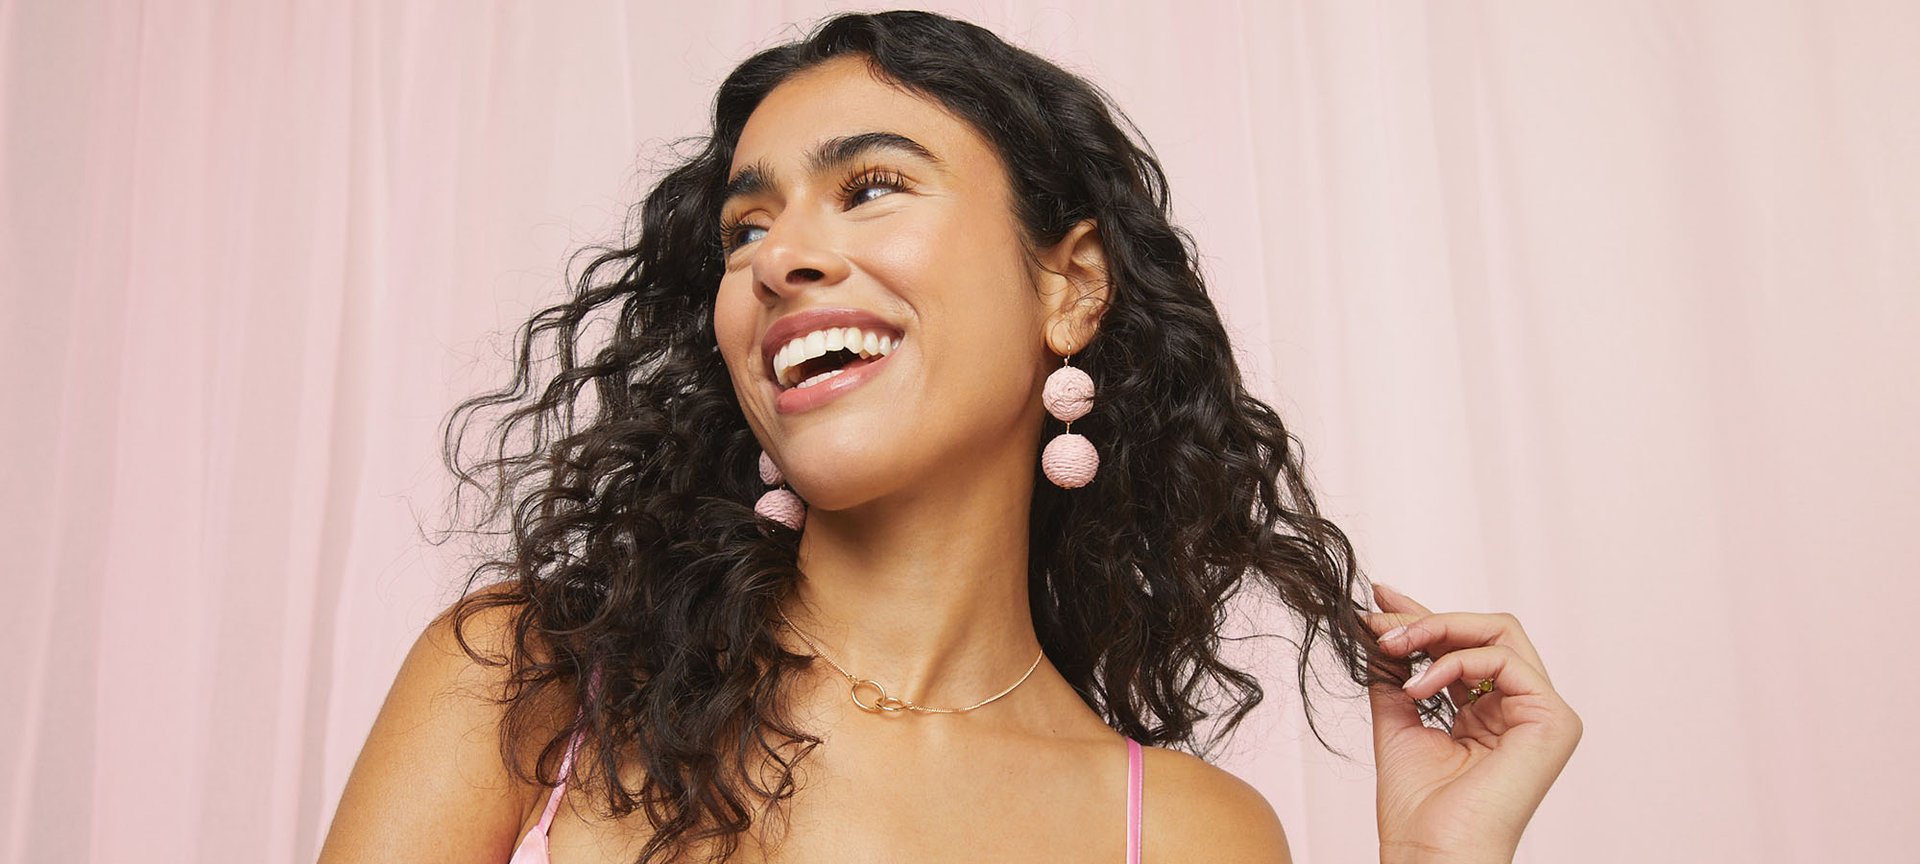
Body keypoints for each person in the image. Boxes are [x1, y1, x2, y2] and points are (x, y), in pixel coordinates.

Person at [319, 10, 1580, 864]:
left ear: (1070, 286)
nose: (782, 258)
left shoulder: (1188, 834)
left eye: (871, 188)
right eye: (743, 231)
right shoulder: (532, 683)